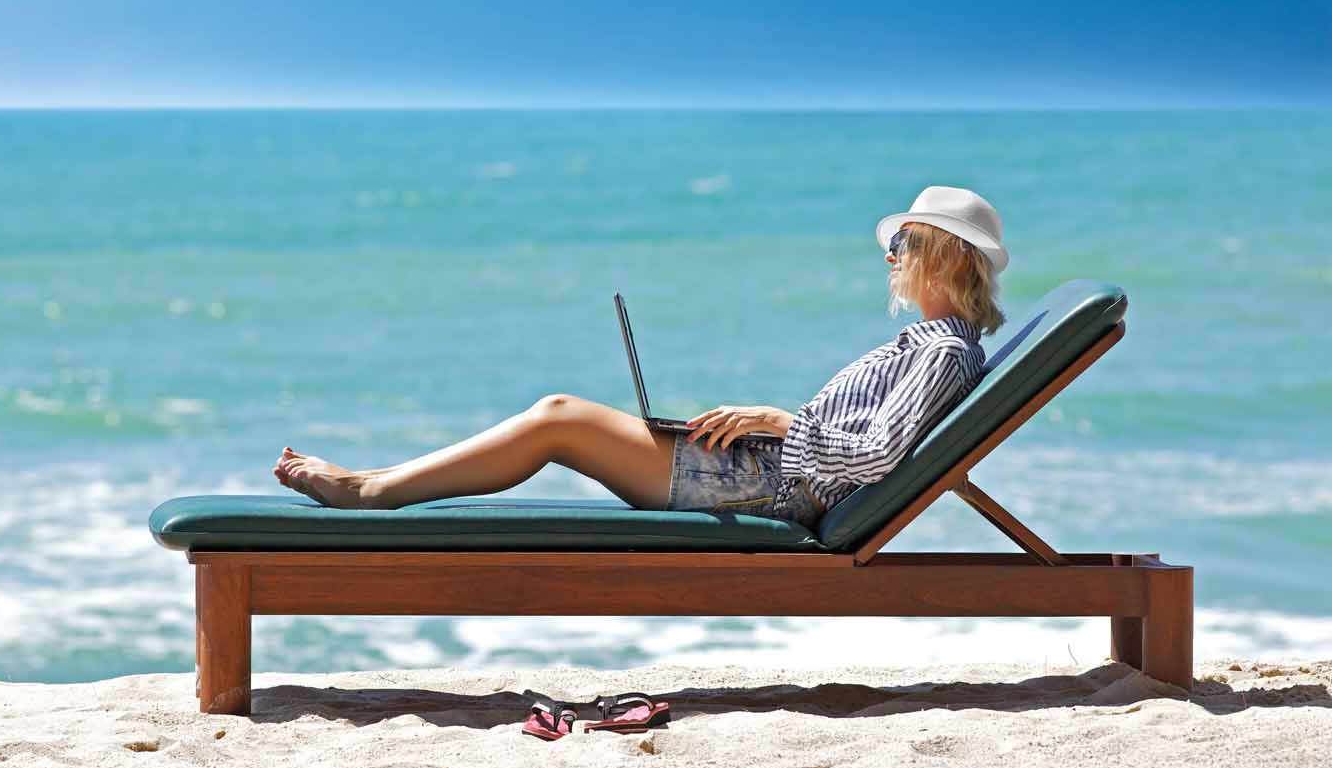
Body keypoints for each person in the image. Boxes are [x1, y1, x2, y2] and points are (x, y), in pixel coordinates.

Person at [272, 185, 1008, 528]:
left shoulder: (942, 352)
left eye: (902, 245)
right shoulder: (930, 345)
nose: (889, 258)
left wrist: (780, 423)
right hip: (754, 470)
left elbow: (877, 461)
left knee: (557, 418)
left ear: (940, 257)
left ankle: (371, 493)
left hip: (761, 489)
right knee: (560, 416)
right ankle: (372, 481)